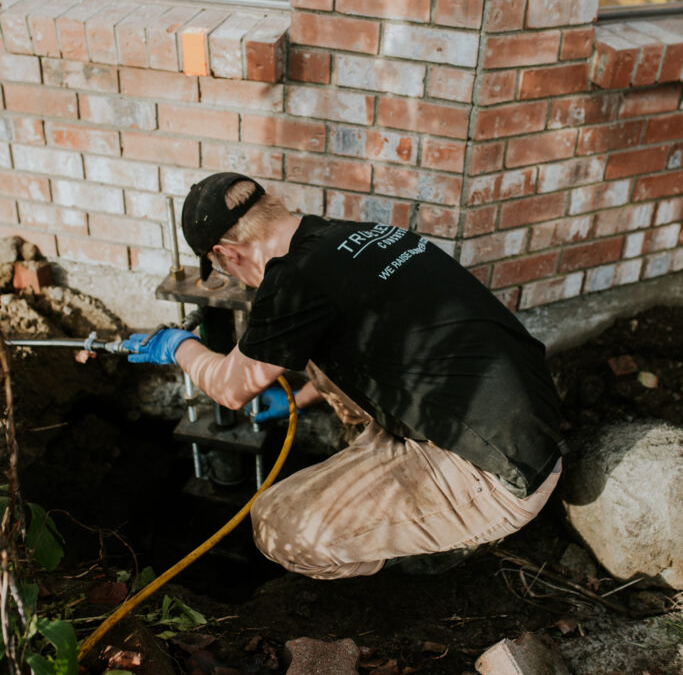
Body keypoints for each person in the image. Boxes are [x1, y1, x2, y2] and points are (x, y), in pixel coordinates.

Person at [123, 172, 567, 580]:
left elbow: (229, 389)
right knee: (319, 352)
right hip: (528, 427)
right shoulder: (356, 235)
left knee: (277, 527)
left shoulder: (291, 281)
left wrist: (177, 346)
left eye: (222, 268)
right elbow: (365, 346)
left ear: (226, 254)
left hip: (496, 477)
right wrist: (299, 398)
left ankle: (421, 553)